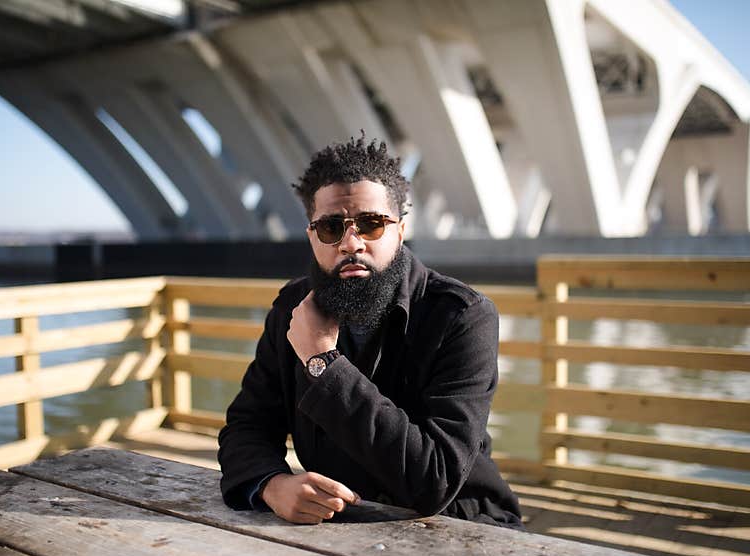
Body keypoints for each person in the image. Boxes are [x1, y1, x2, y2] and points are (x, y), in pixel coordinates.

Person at [217, 135, 523, 530]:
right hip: (340, 524)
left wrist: (324, 363)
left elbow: (436, 480)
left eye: (371, 224)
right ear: (312, 237)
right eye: (330, 227)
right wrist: (272, 485)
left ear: (400, 230)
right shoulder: (292, 310)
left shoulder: (462, 317)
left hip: (460, 524)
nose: (351, 243)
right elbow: (247, 426)